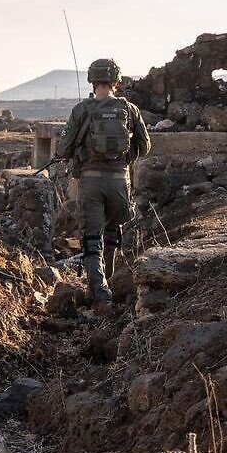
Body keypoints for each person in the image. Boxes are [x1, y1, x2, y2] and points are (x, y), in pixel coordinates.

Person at [54, 58, 151, 306]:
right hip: (120, 181)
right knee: (111, 232)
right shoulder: (129, 110)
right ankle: (105, 284)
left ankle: (99, 292)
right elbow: (145, 145)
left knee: (92, 239)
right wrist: (126, 159)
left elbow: (63, 148)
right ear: (116, 81)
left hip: (90, 182)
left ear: (92, 80)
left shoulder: (81, 110)